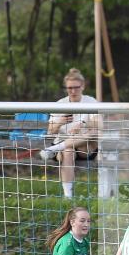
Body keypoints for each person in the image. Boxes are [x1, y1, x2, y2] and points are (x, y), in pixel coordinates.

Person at [39, 68, 99, 198]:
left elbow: (98, 125)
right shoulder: (60, 104)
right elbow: (50, 132)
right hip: (65, 149)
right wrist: (59, 122)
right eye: (69, 88)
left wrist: (83, 124)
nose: (73, 91)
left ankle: (54, 148)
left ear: (82, 86)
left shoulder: (91, 101)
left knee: (94, 132)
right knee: (68, 150)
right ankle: (68, 196)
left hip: (85, 147)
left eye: (76, 87)